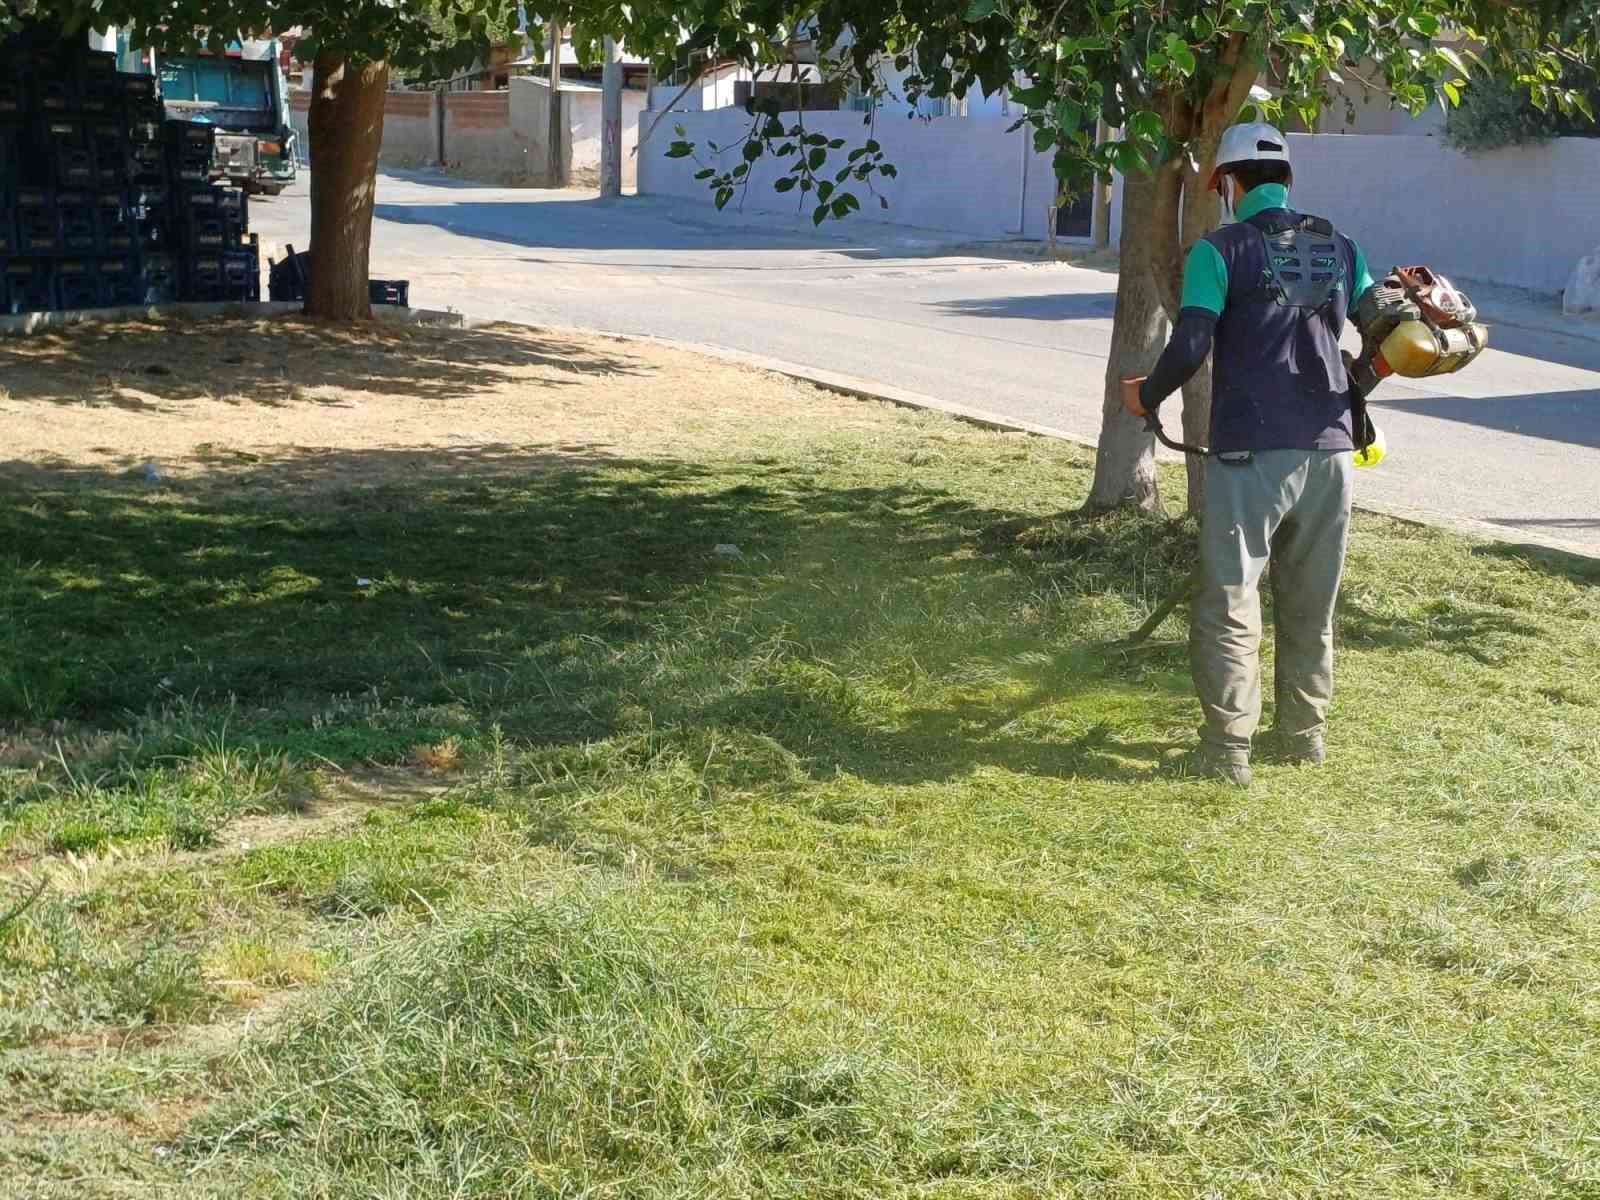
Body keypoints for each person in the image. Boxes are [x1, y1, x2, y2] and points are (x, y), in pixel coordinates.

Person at [1121, 122, 1378, 788]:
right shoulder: (1342, 246)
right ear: (1287, 181)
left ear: (1226, 184)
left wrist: (1145, 396)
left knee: (1231, 600)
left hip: (1250, 454)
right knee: (1310, 601)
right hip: (1330, 454)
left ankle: (1227, 752)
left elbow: (1192, 343)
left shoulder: (1220, 249)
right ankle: (1302, 738)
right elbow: (1384, 328)